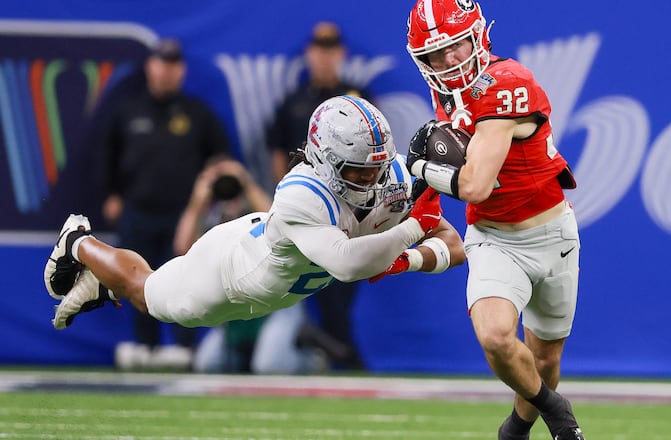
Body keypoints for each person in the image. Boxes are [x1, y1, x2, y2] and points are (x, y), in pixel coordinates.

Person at [43, 96, 467, 374]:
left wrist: (407, 258)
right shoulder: (303, 193)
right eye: (359, 170)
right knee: (149, 294)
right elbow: (349, 263)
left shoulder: (391, 175)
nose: (372, 179)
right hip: (230, 272)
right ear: (324, 158)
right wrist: (415, 227)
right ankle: (80, 240)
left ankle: (102, 285)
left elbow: (454, 246)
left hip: (274, 291)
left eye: (376, 167)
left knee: (147, 292)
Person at [404, 1, 585, 439]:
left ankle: (515, 431)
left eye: (455, 47)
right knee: (497, 337)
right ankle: (558, 413)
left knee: (544, 361)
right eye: (435, 54)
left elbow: (475, 184)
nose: (448, 61)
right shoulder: (447, 92)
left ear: (478, 35)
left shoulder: (508, 82)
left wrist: (419, 168)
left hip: (552, 233)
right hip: (493, 237)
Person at [91, 37, 231, 370]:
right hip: (138, 211)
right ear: (151, 66)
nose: (168, 71)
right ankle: (146, 347)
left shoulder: (197, 113)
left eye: (174, 65)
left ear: (180, 70)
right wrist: (110, 193)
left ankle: (185, 350)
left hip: (184, 216)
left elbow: (221, 158)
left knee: (187, 282)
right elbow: (103, 154)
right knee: (138, 279)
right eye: (162, 64)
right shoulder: (127, 110)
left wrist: (211, 195)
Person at [266, 21, 371, 370]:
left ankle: (330, 348)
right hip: (310, 209)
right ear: (310, 54)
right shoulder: (294, 103)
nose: (325, 58)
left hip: (349, 209)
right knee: (319, 287)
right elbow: (278, 155)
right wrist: (288, 202)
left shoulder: (356, 98)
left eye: (331, 50)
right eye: (319, 50)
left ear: (340, 54)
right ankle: (339, 354)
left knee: (342, 285)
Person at [175, 156, 324, 374]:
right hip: (238, 312)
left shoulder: (255, 207)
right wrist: (198, 203)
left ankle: (311, 358)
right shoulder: (211, 217)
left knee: (269, 367)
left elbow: (281, 225)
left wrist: (245, 183)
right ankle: (251, 353)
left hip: (278, 306)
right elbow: (182, 250)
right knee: (209, 364)